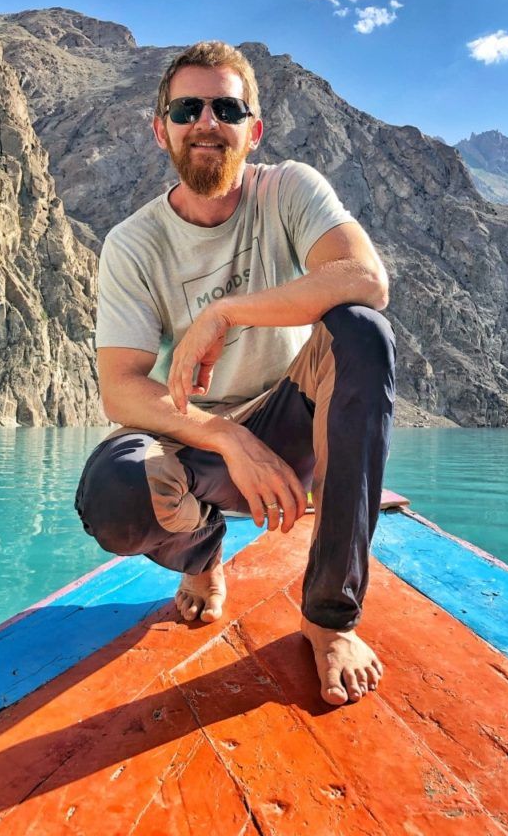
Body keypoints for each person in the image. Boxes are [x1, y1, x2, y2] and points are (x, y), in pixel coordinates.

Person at [75, 41, 396, 706]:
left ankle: (329, 616)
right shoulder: (135, 243)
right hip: (201, 437)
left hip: (298, 418)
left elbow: (366, 279)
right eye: (187, 107)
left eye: (227, 107)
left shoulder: (289, 190)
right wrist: (226, 438)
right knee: (113, 492)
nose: (206, 121)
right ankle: (201, 556)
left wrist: (225, 311)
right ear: (160, 127)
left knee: (363, 332)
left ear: (254, 129)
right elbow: (120, 388)